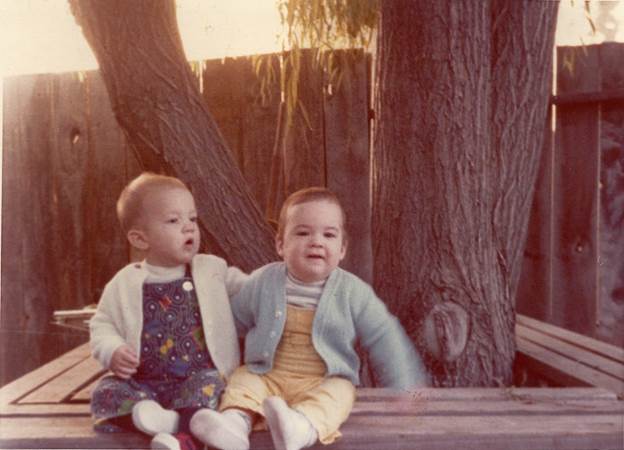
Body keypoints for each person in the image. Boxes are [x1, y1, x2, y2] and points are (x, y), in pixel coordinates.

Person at [190, 187, 429, 450]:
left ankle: (300, 428)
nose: (316, 241)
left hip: (323, 379)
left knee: (341, 394)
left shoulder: (352, 292)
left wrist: (406, 385)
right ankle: (233, 426)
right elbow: (228, 324)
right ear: (281, 244)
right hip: (266, 374)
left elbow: (384, 334)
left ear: (342, 249)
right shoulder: (263, 282)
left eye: (328, 234)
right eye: (303, 233)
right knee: (242, 381)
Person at [89, 173, 248, 450]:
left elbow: (252, 292)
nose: (188, 228)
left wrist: (282, 282)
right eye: (174, 221)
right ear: (140, 239)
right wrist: (112, 350)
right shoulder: (125, 282)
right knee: (105, 393)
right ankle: (161, 420)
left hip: (198, 378)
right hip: (143, 384)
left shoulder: (213, 270)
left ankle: (179, 435)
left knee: (213, 386)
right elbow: (102, 324)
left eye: (192, 219)